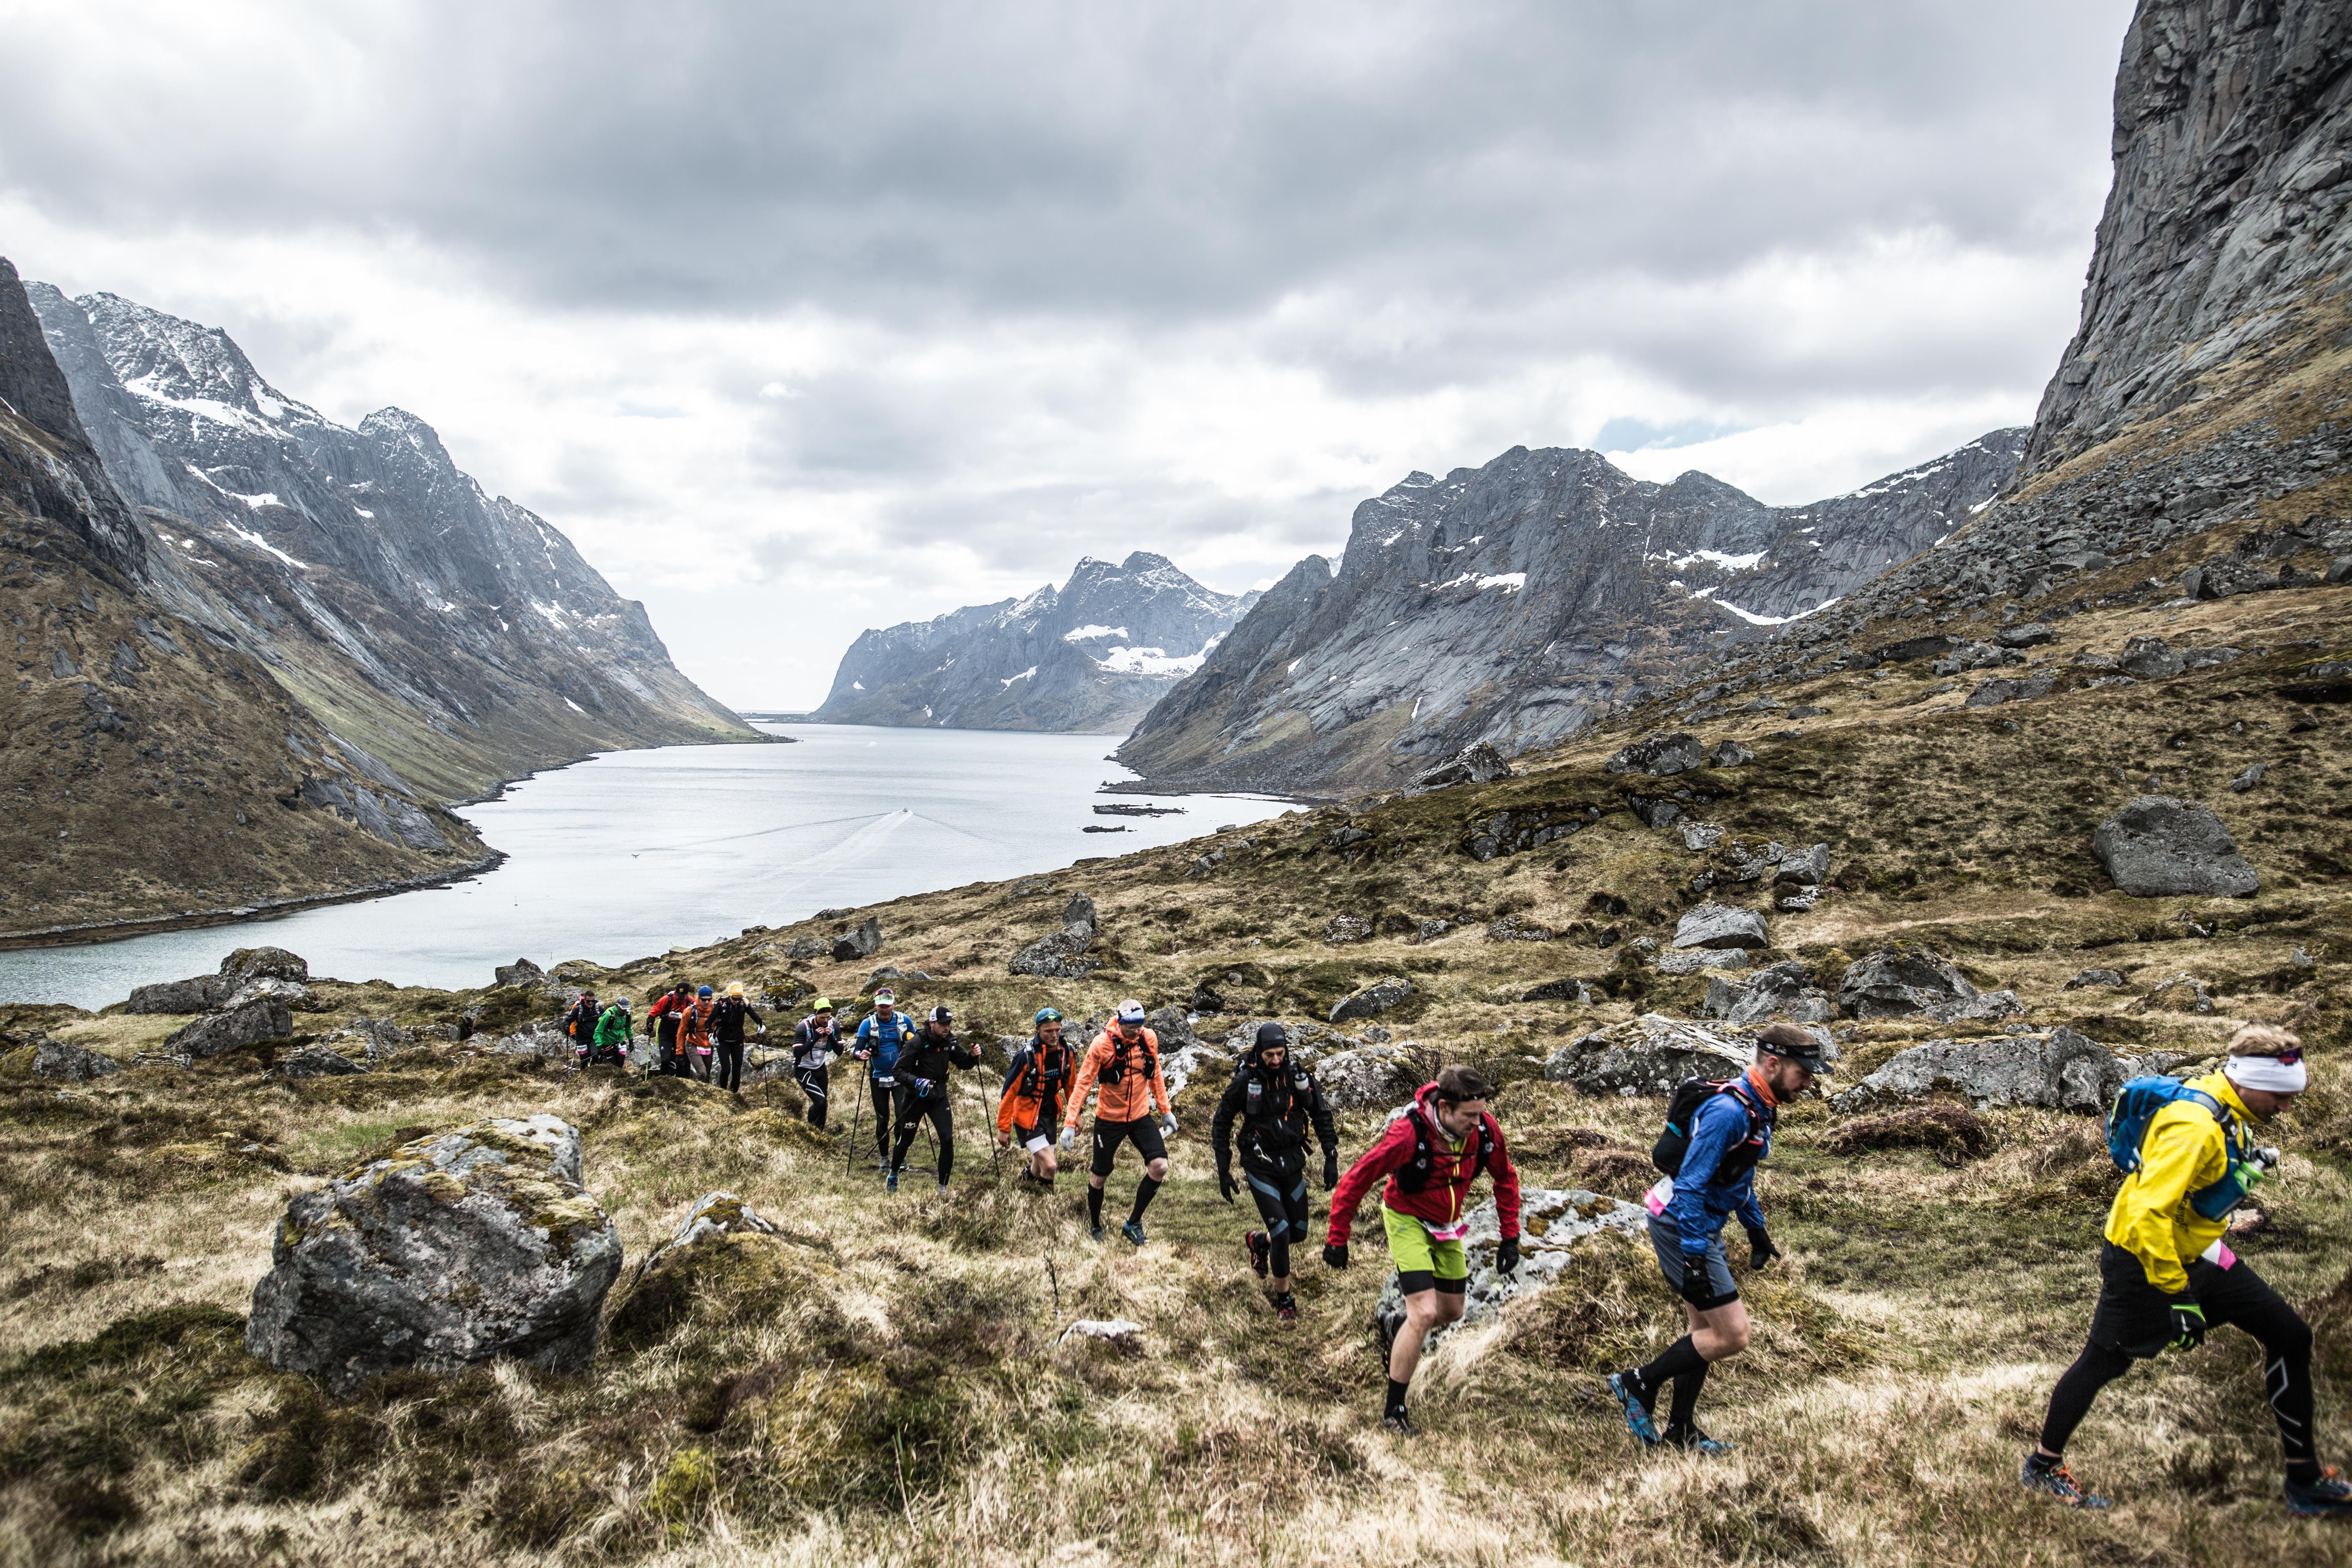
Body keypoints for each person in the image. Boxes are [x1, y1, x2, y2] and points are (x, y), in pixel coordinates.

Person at [2022, 1024, 2349, 1516]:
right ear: (2247, 1080)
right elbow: (2148, 1214)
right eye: (2279, 1095)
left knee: (2290, 1334)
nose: (2286, 1108)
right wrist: (2179, 1295)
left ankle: (2303, 1479)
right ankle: (2044, 1465)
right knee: (2105, 1360)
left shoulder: (2227, 1104)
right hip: (2144, 1259)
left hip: (2201, 1250)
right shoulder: (2193, 1126)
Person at [1603, 1021, 1822, 1456]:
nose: (1808, 1083)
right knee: (1733, 1334)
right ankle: (1637, 1382)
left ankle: (1681, 1427)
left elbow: (1737, 1175)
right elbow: (1691, 1185)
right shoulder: (1729, 1112)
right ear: (1774, 1063)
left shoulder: (1759, 1105)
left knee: (1702, 1329)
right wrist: (1696, 1258)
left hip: (1697, 1222)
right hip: (1681, 1223)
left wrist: (1755, 1227)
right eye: (1804, 1073)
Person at [1325, 1065, 1522, 1436]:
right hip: (1406, 1219)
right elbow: (1358, 1178)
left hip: (1447, 1226)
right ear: (1444, 1107)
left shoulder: (1485, 1130)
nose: (1477, 1123)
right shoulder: (1408, 1134)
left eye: (1481, 1114)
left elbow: (1505, 1178)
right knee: (1425, 1311)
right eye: (1469, 1116)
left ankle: (1397, 1327)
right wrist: (1338, 1235)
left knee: (1451, 1311)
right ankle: (1394, 1410)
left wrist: (1510, 1237)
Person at [1213, 1022, 1339, 1323]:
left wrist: (1330, 1156)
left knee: (1298, 1232)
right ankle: (1285, 1300)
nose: (1275, 1060)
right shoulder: (1246, 1080)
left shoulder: (1298, 1078)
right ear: (1260, 1050)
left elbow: (1321, 1114)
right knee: (1282, 1232)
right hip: (1260, 1163)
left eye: (1280, 1053)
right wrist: (1224, 1169)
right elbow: (1222, 1122)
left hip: (1293, 1161)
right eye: (1269, 1054)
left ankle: (1259, 1243)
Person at [1060, 999, 1177, 1245]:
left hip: (1140, 1116)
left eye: (1141, 1026)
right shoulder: (1102, 1045)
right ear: (1120, 1023)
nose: (1137, 1031)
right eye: (1132, 1026)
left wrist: (1166, 1111)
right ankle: (1095, 1224)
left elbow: (1155, 1074)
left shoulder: (1149, 1039)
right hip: (1109, 1120)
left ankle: (1133, 1223)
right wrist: (1070, 1122)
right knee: (1099, 1176)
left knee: (1160, 1166)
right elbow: (1083, 1084)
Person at [886, 1005, 979, 1194]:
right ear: (932, 1023)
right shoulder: (918, 1042)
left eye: (949, 1023)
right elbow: (897, 1071)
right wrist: (917, 1082)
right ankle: (893, 1174)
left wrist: (973, 1056)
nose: (947, 1027)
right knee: (906, 1141)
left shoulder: (950, 1041)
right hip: (916, 1099)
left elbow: (963, 1063)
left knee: (947, 1140)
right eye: (943, 1024)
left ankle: (942, 1190)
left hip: (939, 1097)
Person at [998, 1007, 1076, 1186]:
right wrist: (1004, 1127)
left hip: (1051, 1113)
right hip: (1026, 1116)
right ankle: (1044, 1203)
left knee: (1039, 1167)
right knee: (1050, 1166)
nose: (1055, 1035)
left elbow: (1072, 1088)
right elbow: (1009, 1093)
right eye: (1049, 1031)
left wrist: (1075, 1116)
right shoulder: (1025, 1057)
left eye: (1058, 1030)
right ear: (1037, 1030)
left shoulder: (1067, 1053)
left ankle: (1024, 1186)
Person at [854, 989, 920, 1171]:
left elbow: (916, 1043)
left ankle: (900, 1159)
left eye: (888, 1005)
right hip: (878, 1076)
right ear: (876, 1005)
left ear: (894, 1004)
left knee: (902, 1117)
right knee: (883, 1119)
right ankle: (884, 1159)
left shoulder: (904, 1020)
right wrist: (863, 1054)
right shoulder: (867, 1024)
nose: (885, 1009)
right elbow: (857, 1051)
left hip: (901, 1076)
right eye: (881, 1006)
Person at [791, 998, 842, 1128]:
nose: (826, 1021)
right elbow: (797, 1053)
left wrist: (831, 1037)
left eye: (828, 1017)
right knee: (820, 1101)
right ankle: (809, 1127)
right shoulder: (804, 1027)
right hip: (803, 1069)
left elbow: (840, 1051)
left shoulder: (834, 1025)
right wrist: (815, 1038)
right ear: (815, 1015)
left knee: (824, 1106)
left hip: (820, 1068)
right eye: (822, 1018)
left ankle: (819, 1135)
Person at [708, 981, 765, 1095]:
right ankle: (723, 1093)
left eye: (739, 999)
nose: (736, 1001)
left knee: (736, 1071)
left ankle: (734, 1094)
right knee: (726, 1070)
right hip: (723, 1041)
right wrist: (710, 1034)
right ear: (730, 996)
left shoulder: (744, 1004)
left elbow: (754, 1015)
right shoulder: (721, 1004)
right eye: (735, 999)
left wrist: (761, 1024)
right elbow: (709, 1021)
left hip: (738, 1041)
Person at [643, 981, 693, 1077]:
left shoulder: (690, 1001)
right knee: (665, 1059)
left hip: (681, 1034)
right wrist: (650, 1023)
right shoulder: (667, 1000)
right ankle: (663, 1080)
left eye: (683, 996)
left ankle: (682, 1081)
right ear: (675, 992)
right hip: (665, 1033)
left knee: (682, 1060)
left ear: (686, 995)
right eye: (678, 995)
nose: (680, 998)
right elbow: (653, 1012)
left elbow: (697, 1014)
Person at [679, 984, 718, 1082]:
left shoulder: (716, 1010)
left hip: (708, 1045)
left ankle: (704, 1094)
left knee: (707, 1076)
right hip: (693, 1044)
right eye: (704, 1000)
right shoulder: (689, 1012)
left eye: (709, 1000)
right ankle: (695, 1090)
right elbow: (681, 1032)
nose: (707, 1002)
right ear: (699, 998)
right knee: (702, 1073)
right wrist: (679, 1053)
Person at [587, 995, 632, 1067]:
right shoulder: (609, 1015)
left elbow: (628, 1028)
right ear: (617, 1006)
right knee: (613, 1066)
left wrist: (631, 1040)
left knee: (620, 1066)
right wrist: (599, 1046)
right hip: (607, 1044)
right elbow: (598, 1031)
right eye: (622, 1009)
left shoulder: (627, 1014)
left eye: (626, 1009)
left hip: (619, 1042)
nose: (624, 1011)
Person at [563, 989, 600, 1063]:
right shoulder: (578, 1010)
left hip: (594, 1038)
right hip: (581, 1039)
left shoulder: (598, 1009)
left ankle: (593, 1071)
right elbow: (569, 1020)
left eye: (593, 1001)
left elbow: (606, 1019)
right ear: (584, 1000)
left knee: (595, 1056)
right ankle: (584, 1072)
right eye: (588, 1001)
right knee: (584, 1060)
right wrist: (567, 1027)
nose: (591, 1003)